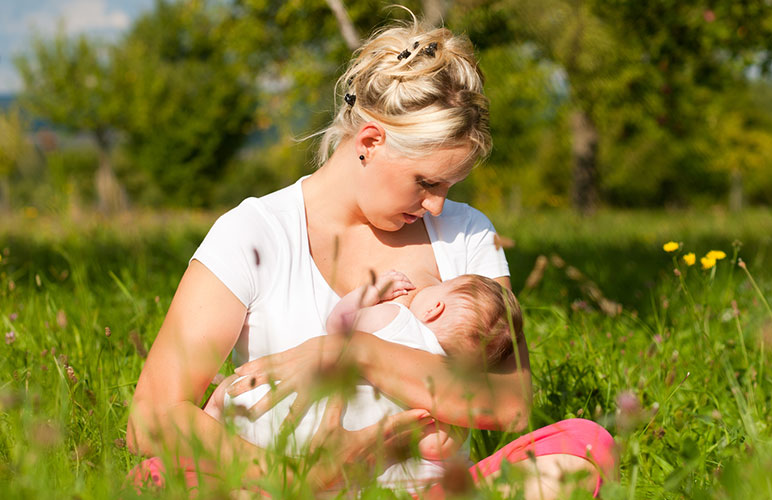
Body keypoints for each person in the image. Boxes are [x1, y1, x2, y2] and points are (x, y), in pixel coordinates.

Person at [126, 16, 615, 498]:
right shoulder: (255, 232)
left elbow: (509, 404)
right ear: (370, 142)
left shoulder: (465, 234)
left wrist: (360, 353)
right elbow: (152, 416)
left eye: (448, 186)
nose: (436, 205)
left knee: (584, 447)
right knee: (160, 476)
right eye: (426, 182)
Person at [203, 270, 522, 492]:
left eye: (441, 284)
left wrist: (369, 294)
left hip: (298, 420)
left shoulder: (397, 319)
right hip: (352, 448)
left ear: (435, 307)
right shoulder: (452, 385)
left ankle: (209, 420)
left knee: (226, 396)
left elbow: (338, 325)